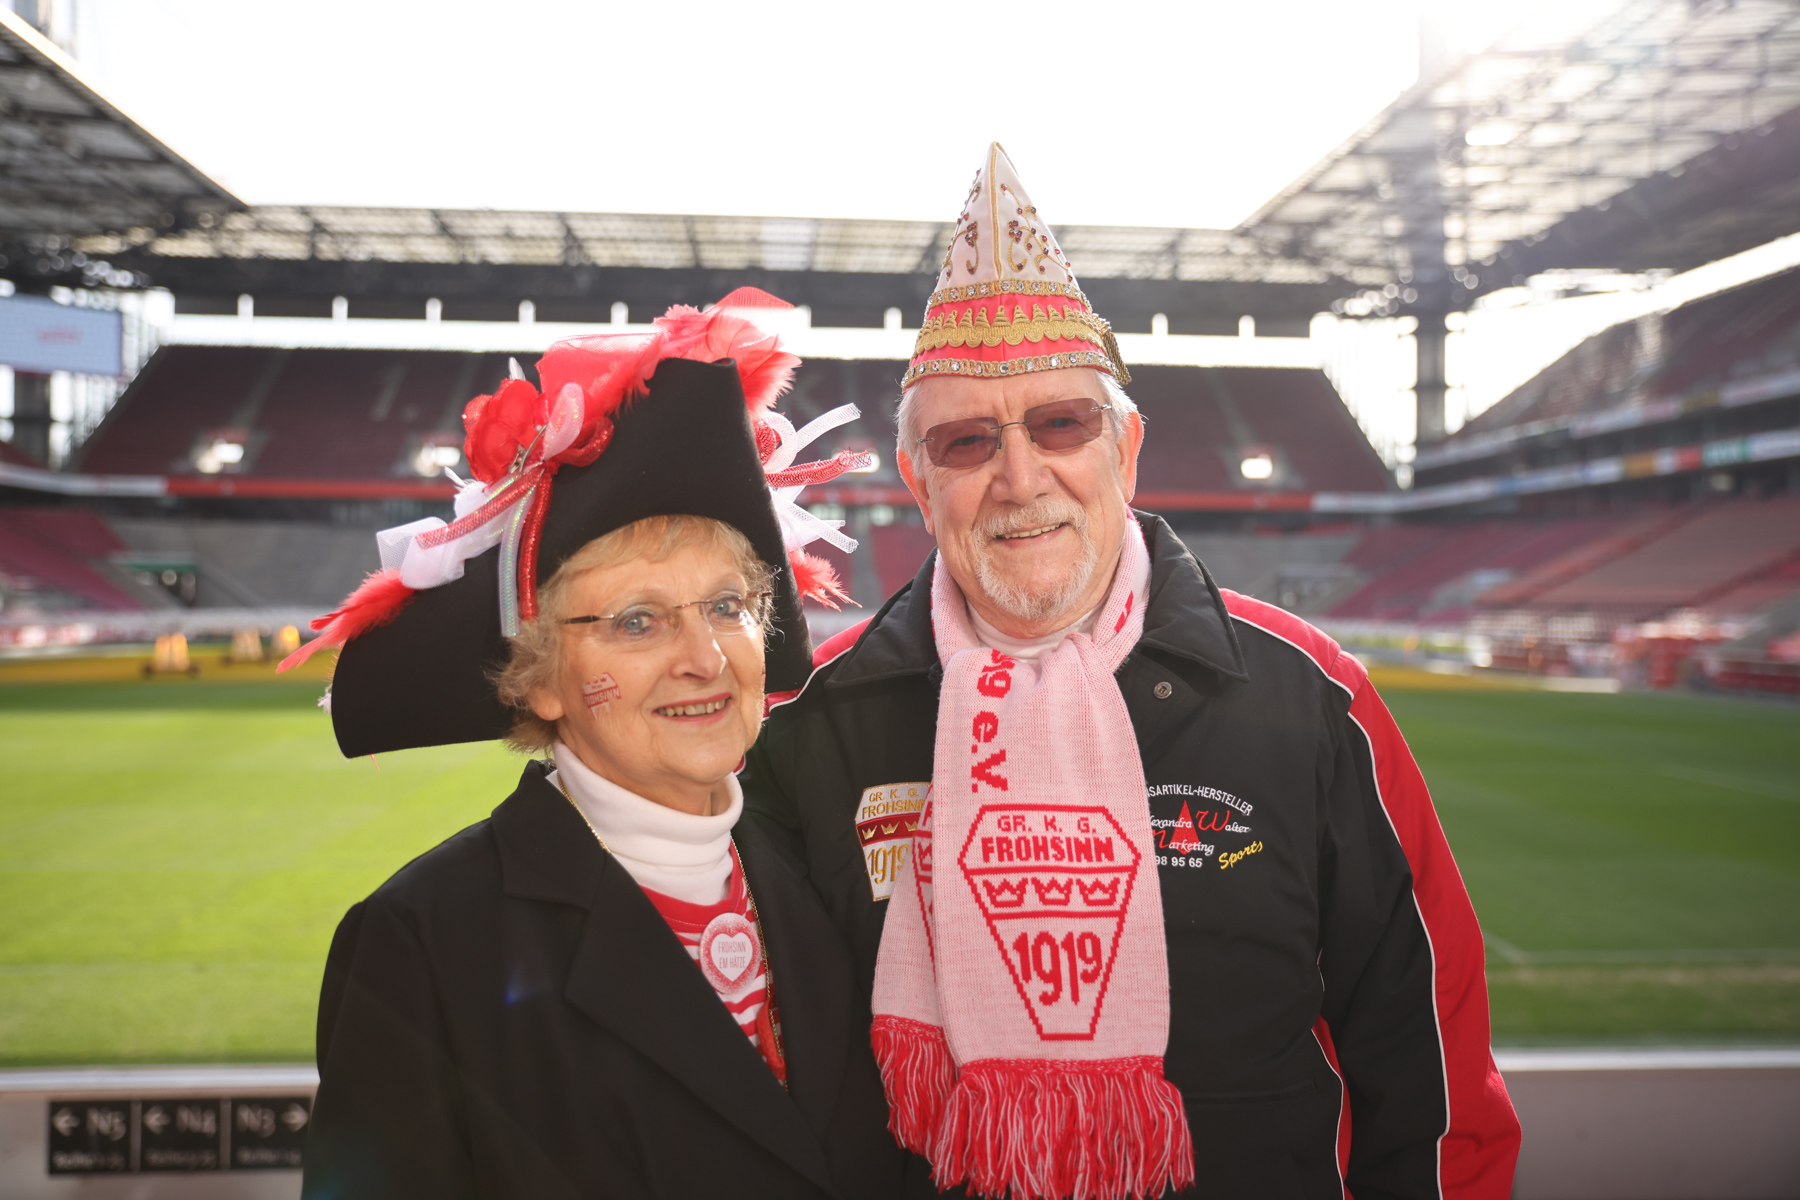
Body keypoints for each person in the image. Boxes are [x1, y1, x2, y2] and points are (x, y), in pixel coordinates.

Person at [741, 145, 1522, 1200]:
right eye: (967, 443)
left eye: (1060, 424)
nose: (1022, 477)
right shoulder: (809, 721)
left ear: (1127, 449)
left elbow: (1429, 1055)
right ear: (920, 488)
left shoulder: (1310, 694)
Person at [291, 291, 903, 1199]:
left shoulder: (821, 882)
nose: (704, 659)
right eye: (637, 621)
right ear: (539, 677)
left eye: (727, 606)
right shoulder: (423, 945)